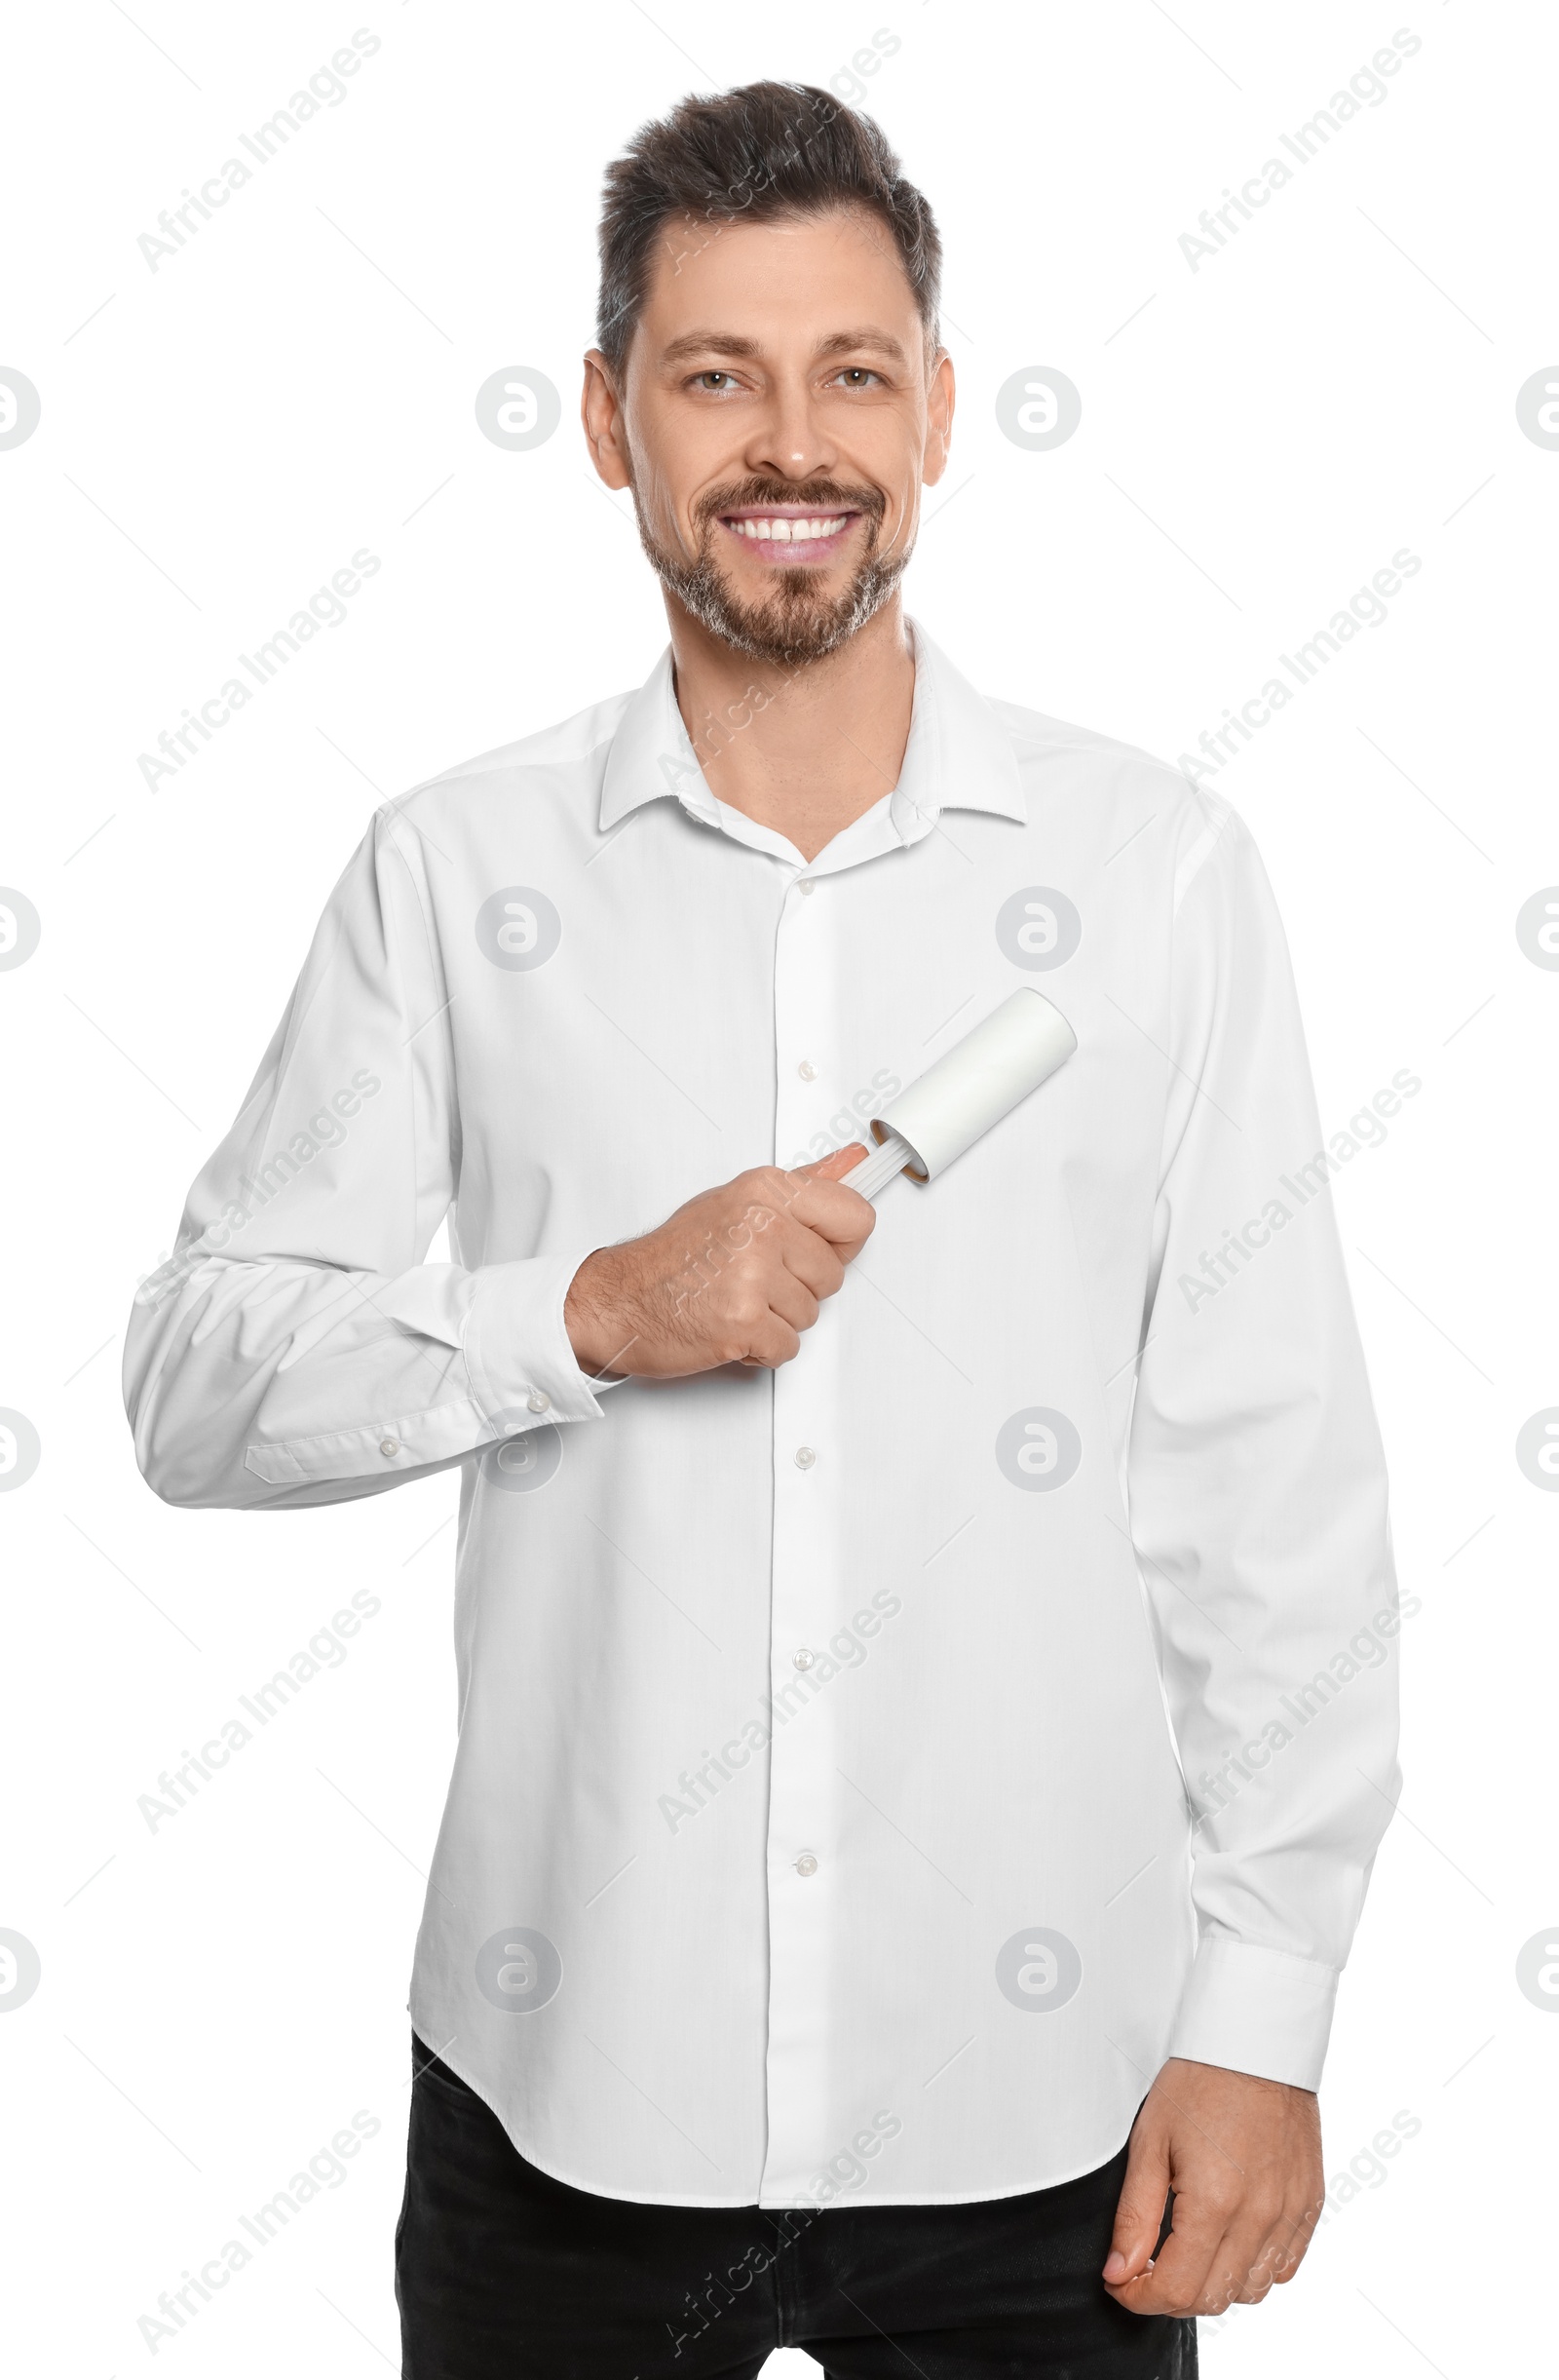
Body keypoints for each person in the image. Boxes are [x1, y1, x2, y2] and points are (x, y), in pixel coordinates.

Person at [125, 79, 1400, 2380]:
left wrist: (1265, 2012)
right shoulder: (453, 874)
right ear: (609, 422)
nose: (786, 441)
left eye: (848, 371)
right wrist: (594, 1310)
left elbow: (1268, 1496)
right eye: (713, 374)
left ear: (931, 411)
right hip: (560, 2114)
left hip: (1047, 2119)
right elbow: (198, 1385)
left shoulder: (1155, 879)